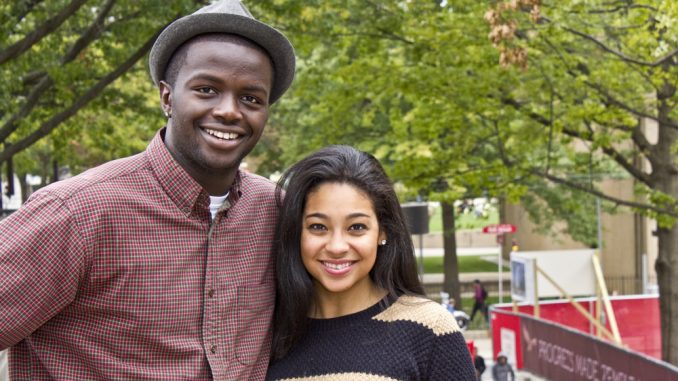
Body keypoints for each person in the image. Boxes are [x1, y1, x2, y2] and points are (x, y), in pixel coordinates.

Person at [0, 0, 295, 379]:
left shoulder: (278, 212)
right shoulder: (76, 213)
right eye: (207, 89)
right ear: (167, 97)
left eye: (251, 98)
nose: (230, 111)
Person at [266, 145, 476, 380]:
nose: (337, 247)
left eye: (356, 227)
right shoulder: (267, 332)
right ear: (297, 232)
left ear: (382, 231)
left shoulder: (429, 328)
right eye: (318, 227)